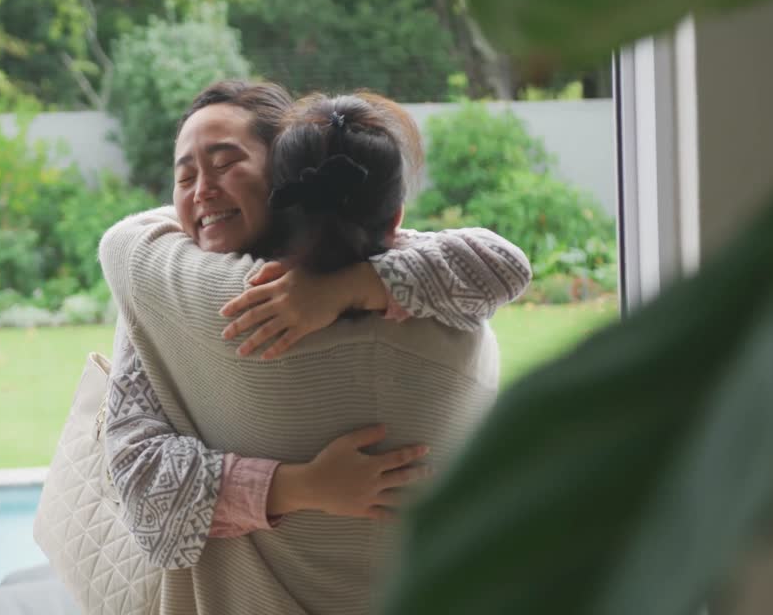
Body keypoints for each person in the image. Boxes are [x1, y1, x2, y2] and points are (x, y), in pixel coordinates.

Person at [100, 87, 530, 613]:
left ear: (283, 175)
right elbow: (138, 475)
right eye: (184, 176)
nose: (201, 190)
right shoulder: (422, 281)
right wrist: (298, 486)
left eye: (225, 163)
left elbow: (125, 241)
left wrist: (347, 285)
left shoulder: (156, 277)